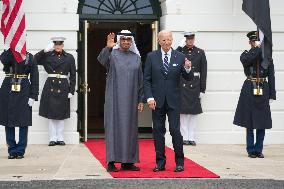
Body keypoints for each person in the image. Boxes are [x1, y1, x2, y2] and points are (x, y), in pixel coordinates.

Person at [143, 30, 193, 172]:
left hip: (174, 101)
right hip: (156, 101)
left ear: (172, 40)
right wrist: (149, 97)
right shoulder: (151, 57)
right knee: (158, 131)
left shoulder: (180, 57)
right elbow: (146, 80)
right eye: (163, 40)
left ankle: (179, 162)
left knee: (175, 130)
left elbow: (188, 78)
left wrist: (188, 68)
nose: (166, 42)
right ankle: (160, 163)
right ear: (159, 41)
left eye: (169, 39)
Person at [97, 30, 144, 172]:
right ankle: (111, 161)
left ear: (131, 42)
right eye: (123, 40)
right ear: (119, 40)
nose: (125, 42)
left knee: (130, 129)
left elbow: (140, 80)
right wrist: (108, 47)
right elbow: (101, 60)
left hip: (131, 100)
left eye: (128, 40)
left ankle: (128, 162)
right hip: (114, 98)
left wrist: (141, 99)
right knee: (113, 128)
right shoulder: (112, 54)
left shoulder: (136, 57)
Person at [233, 31, 276, 158]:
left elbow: (271, 76)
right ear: (250, 42)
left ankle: (259, 149)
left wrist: (272, 94)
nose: (255, 43)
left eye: (257, 42)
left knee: (261, 122)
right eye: (253, 41)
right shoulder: (246, 55)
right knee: (250, 121)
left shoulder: (267, 57)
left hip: (263, 88)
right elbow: (248, 60)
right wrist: (257, 49)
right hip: (250, 88)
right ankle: (251, 149)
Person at [34, 37, 76, 146]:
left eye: (60, 44)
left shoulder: (69, 57)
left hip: (63, 86)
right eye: (56, 44)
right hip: (51, 85)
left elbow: (73, 75)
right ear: (53, 45)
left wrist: (72, 90)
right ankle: (52, 138)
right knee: (51, 113)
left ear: (63, 45)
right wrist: (44, 51)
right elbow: (34, 60)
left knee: (61, 113)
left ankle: (60, 137)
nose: (58, 46)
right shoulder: (47, 55)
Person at [0, 49, 39, 159]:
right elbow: (3, 60)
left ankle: (20, 150)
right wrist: (9, 49)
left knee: (23, 121)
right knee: (8, 121)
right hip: (8, 87)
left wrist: (33, 95)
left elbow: (35, 77)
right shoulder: (7, 54)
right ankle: (12, 150)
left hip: (24, 89)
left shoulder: (29, 56)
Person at [176, 32, 207, 146]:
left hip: (195, 84)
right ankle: (184, 136)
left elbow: (204, 72)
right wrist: (179, 46)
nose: (190, 41)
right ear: (185, 40)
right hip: (183, 83)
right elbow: (173, 57)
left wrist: (202, 89)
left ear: (194, 39)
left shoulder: (200, 52)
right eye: (187, 39)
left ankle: (191, 136)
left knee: (193, 113)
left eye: (191, 39)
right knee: (183, 112)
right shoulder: (180, 51)